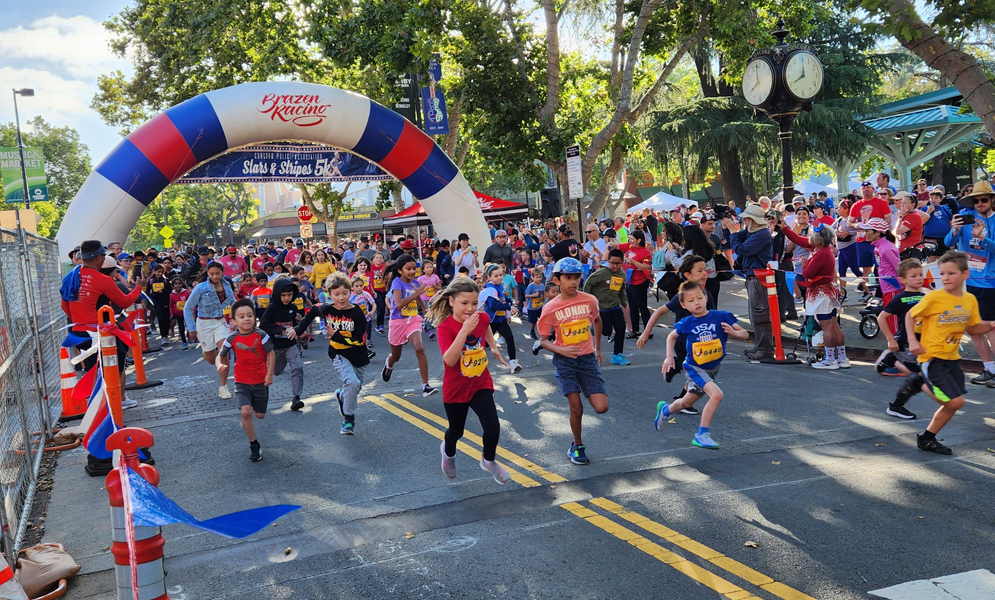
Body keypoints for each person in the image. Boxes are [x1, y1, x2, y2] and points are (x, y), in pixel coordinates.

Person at [905, 252, 994, 454]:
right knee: (956, 401)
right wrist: (911, 339)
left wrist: (990, 325)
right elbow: (911, 315)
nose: (945, 277)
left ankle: (927, 438)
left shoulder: (970, 300)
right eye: (942, 273)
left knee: (953, 404)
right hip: (932, 358)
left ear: (965, 274)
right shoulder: (935, 297)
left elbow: (972, 328)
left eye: (951, 273)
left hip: (952, 359)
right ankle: (921, 384)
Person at [426, 276, 511, 483]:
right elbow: (450, 359)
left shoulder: (480, 318)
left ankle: (488, 461)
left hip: (480, 382)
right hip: (455, 387)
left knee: (492, 426)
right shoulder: (445, 327)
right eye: (465, 303)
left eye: (474, 303)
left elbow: (486, 325)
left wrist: (493, 346)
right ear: (452, 301)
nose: (471, 309)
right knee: (457, 431)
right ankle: (448, 452)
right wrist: (464, 331)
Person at [655, 281, 749, 448]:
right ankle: (702, 434)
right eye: (691, 301)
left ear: (706, 298)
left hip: (712, 369)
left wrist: (734, 333)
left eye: (699, 298)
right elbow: (671, 336)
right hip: (694, 367)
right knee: (717, 394)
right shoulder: (687, 322)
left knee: (686, 403)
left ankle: (665, 410)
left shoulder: (721, 316)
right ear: (683, 305)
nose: (696, 302)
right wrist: (669, 357)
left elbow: (745, 333)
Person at [537, 258, 608, 465]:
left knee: (602, 407)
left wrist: (598, 349)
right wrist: (561, 349)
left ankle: (587, 388)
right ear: (557, 280)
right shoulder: (550, 308)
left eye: (577, 277)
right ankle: (577, 445)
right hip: (564, 361)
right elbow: (543, 340)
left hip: (586, 359)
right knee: (576, 407)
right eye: (568, 277)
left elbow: (596, 320)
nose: (573, 281)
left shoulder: (590, 300)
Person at [296, 273, 371, 434]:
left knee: (353, 388)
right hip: (338, 354)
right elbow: (312, 312)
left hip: (358, 355)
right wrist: (297, 331)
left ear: (351, 292)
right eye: (336, 294)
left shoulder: (357, 314)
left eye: (345, 293)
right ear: (329, 295)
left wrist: (335, 334)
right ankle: (348, 420)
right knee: (352, 382)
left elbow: (358, 340)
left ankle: (342, 395)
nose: (341, 298)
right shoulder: (327, 308)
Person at [943, 181, 995, 385]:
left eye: (983, 199)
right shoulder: (966, 219)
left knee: (990, 328)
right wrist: (955, 231)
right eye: (976, 200)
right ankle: (989, 368)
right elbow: (947, 243)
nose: (979, 203)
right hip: (969, 283)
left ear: (992, 200)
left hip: (990, 283)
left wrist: (982, 238)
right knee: (974, 329)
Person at [779, 221, 848, 369]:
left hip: (822, 293)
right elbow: (798, 239)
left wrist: (804, 265)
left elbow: (808, 274)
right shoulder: (820, 248)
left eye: (812, 235)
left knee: (827, 327)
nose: (809, 237)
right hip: (828, 291)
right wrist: (784, 226)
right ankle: (842, 357)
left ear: (820, 240)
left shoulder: (821, 253)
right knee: (834, 325)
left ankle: (830, 359)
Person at [217, 299, 275, 462]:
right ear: (234, 321)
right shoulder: (232, 338)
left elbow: (271, 353)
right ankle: (254, 445)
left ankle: (254, 417)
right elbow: (220, 355)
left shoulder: (261, 335)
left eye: (249, 315)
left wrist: (269, 374)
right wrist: (219, 365)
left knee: (260, 415)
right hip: (242, 381)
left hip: (260, 381)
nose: (246, 319)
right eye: (241, 316)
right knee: (245, 412)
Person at [382, 254, 437, 396]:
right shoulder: (396, 283)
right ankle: (389, 363)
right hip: (397, 322)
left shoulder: (415, 282)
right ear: (400, 270)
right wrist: (417, 293)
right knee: (396, 356)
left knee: (419, 348)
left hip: (413, 320)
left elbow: (417, 294)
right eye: (408, 269)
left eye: (414, 268)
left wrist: (424, 309)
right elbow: (399, 304)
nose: (412, 271)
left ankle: (426, 386)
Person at [183, 261, 236, 398]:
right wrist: (191, 328)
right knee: (212, 359)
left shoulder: (227, 286)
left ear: (222, 273)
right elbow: (188, 308)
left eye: (218, 273)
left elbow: (233, 302)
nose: (215, 276)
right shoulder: (201, 287)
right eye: (212, 273)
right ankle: (207, 353)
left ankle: (223, 386)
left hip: (220, 322)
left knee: (224, 350)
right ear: (207, 273)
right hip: (204, 324)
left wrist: (240, 315)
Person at [730, 205, 774, 360]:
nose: (745, 221)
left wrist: (732, 232)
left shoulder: (762, 234)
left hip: (757, 278)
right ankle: (760, 347)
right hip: (752, 277)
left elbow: (742, 249)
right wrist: (731, 230)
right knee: (756, 314)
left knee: (759, 313)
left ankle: (764, 349)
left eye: (747, 218)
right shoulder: (755, 231)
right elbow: (740, 238)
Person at [259, 278, 307, 411]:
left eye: (289, 295)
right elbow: (264, 325)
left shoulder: (292, 307)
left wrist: (300, 332)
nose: (286, 298)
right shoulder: (272, 307)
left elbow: (294, 324)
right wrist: (281, 330)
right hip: (275, 347)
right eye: (283, 295)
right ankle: (258, 396)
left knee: (297, 367)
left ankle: (296, 397)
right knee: (275, 371)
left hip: (290, 344)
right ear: (277, 294)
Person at [877, 259, 926, 384]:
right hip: (904, 341)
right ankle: (891, 359)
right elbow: (881, 317)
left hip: (924, 340)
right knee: (918, 374)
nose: (919, 278)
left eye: (921, 275)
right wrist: (890, 339)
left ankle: (898, 364)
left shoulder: (927, 296)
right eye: (913, 276)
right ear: (903, 280)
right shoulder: (900, 298)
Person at [584, 249, 629, 365]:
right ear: (608, 261)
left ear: (622, 262)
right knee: (606, 331)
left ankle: (617, 355)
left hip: (614, 305)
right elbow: (588, 283)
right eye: (612, 263)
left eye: (617, 263)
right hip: (601, 307)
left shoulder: (622, 274)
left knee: (620, 328)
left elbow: (621, 290)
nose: (614, 266)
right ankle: (593, 328)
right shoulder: (602, 272)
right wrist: (588, 300)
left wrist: (624, 301)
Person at [849, 180, 892, 300]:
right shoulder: (856, 205)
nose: (865, 190)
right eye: (863, 188)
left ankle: (882, 291)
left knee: (880, 266)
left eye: (868, 187)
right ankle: (868, 294)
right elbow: (849, 221)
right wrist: (855, 225)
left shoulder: (881, 203)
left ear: (873, 189)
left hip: (877, 241)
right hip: (861, 241)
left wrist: (877, 226)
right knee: (866, 269)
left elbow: (888, 219)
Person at [478, 264, 522, 373]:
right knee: (483, 344)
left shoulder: (500, 286)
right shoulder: (490, 289)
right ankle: (474, 364)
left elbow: (503, 297)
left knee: (510, 339)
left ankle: (513, 363)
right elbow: (493, 305)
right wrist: (508, 306)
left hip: (500, 319)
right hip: (491, 321)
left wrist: (509, 301)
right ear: (489, 278)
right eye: (496, 276)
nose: (499, 277)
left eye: (501, 275)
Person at [919, 186, 952, 262]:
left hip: (943, 237)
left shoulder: (945, 208)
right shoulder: (925, 209)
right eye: (932, 198)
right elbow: (921, 222)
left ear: (940, 199)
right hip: (930, 237)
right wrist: (929, 212)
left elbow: (950, 221)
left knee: (944, 259)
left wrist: (951, 234)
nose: (933, 200)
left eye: (936, 198)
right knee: (931, 257)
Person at [145, 263, 172, 344]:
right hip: (157, 303)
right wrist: (154, 294)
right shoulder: (151, 281)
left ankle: (166, 333)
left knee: (167, 319)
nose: (159, 274)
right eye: (158, 272)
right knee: (160, 319)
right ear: (154, 271)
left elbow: (170, 291)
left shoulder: (165, 280)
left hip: (166, 301)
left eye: (161, 272)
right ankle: (163, 336)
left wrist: (162, 291)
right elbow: (147, 291)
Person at [349, 276, 377, 353]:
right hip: (354, 319)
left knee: (364, 334)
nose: (359, 288)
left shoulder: (366, 294)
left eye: (361, 286)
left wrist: (371, 312)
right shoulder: (350, 296)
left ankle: (366, 350)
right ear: (352, 287)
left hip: (365, 318)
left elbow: (374, 304)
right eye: (356, 286)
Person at [418, 260, 442, 340]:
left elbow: (440, 288)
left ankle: (427, 325)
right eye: (427, 268)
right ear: (423, 270)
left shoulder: (435, 277)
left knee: (434, 313)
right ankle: (429, 330)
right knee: (427, 313)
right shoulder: (421, 278)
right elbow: (417, 288)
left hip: (434, 298)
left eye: (431, 267)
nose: (429, 269)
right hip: (424, 299)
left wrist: (435, 286)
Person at [894, 192, 924, 256]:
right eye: (901, 203)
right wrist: (899, 235)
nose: (902, 205)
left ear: (912, 205)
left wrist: (900, 217)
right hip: (903, 249)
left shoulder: (914, 216)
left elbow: (897, 231)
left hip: (912, 250)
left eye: (904, 203)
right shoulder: (906, 215)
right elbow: (895, 231)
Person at [169, 277, 190, 350]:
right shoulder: (172, 295)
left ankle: (189, 336)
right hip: (178, 313)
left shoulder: (186, 293)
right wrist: (172, 314)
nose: (178, 285)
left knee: (188, 326)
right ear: (173, 285)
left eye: (179, 284)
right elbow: (171, 306)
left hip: (187, 313)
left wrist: (192, 312)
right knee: (181, 328)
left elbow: (191, 303)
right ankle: (184, 342)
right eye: (176, 284)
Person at [524, 267, 545, 339]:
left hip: (540, 305)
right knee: (533, 321)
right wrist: (533, 295)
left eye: (540, 277)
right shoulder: (531, 286)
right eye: (537, 277)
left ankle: (543, 332)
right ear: (532, 277)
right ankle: (532, 331)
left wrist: (545, 302)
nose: (539, 279)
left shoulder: (542, 285)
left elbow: (543, 294)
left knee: (542, 318)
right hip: (532, 307)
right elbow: (526, 295)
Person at [370, 251, 388, 335]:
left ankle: (380, 325)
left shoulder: (385, 266)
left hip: (384, 289)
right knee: (380, 306)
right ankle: (379, 325)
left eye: (380, 258)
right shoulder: (370, 267)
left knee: (383, 307)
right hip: (374, 290)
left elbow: (389, 275)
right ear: (373, 259)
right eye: (376, 258)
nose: (378, 259)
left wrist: (383, 273)